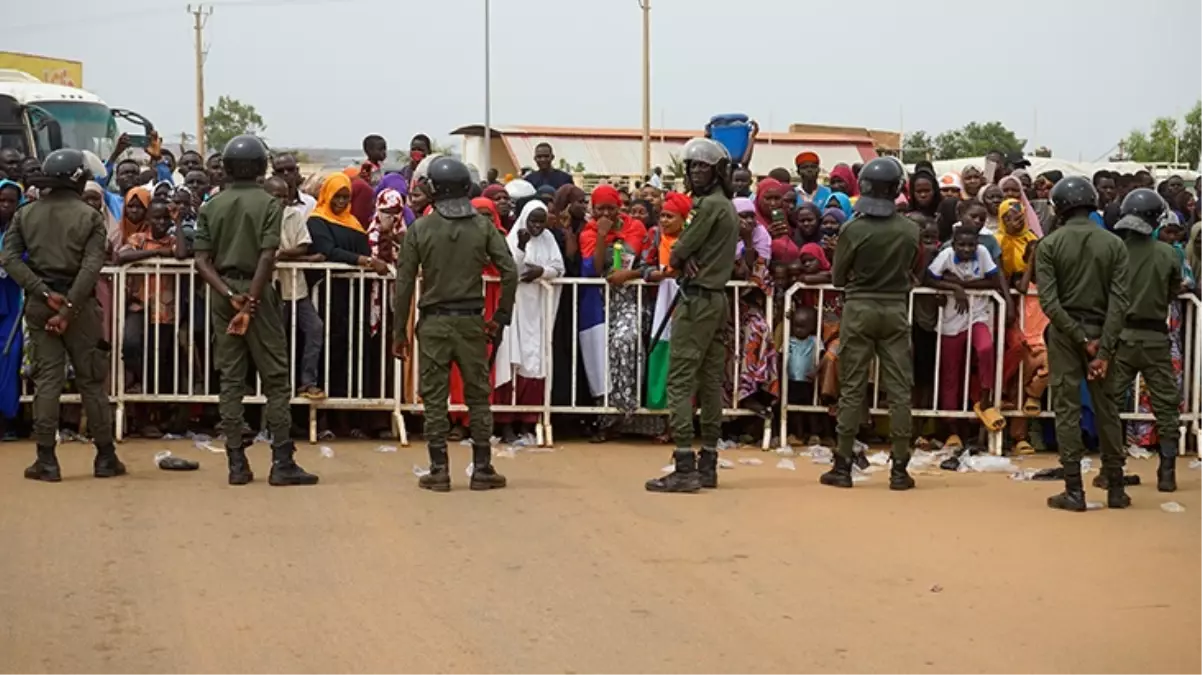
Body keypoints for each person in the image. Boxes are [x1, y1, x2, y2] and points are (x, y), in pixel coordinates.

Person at [192, 135, 319, 487]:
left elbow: (201, 260)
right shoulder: (269, 204)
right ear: (262, 166)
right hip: (259, 293)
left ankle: (236, 463)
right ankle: (282, 461)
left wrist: (230, 294)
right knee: (276, 380)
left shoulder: (210, 206)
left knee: (231, 381)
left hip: (222, 294)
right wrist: (249, 300)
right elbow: (267, 255)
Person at [393, 157, 517, 491]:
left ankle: (439, 470)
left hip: (433, 322)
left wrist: (397, 332)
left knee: (434, 398)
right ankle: (482, 468)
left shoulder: (420, 228)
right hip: (471, 321)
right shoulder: (483, 226)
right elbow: (509, 270)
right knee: (478, 396)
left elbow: (404, 283)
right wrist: (500, 317)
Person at [0, 149, 122, 481]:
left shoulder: (26, 214)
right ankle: (105, 458)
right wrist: (68, 307)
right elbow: (92, 266)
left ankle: (47, 460)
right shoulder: (89, 216)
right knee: (91, 382)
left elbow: (8, 259)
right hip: (79, 305)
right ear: (79, 178)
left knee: (47, 381)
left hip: (41, 304)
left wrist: (42, 292)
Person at [820, 157, 922, 491]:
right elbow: (911, 267)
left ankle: (843, 465)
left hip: (859, 308)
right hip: (895, 309)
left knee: (851, 388)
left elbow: (837, 278)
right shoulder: (910, 229)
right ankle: (900, 469)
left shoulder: (853, 228)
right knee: (899, 391)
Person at [644, 137, 737, 493]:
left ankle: (684, 465)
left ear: (716, 171)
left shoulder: (706, 206)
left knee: (681, 382)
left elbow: (679, 250)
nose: (697, 171)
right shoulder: (725, 204)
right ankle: (708, 462)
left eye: (703, 166)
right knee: (710, 382)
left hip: (698, 301)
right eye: (693, 166)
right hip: (716, 299)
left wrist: (683, 255)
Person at [1036, 176, 1129, 511]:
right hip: (1105, 330)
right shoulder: (1114, 244)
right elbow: (1120, 301)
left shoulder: (1049, 245)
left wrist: (1081, 340)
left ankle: (1074, 489)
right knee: (1108, 409)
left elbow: (1049, 301)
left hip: (1065, 333)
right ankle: (1116, 487)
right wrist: (1103, 348)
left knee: (1067, 408)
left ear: (1059, 207)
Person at [1110, 189, 1183, 493]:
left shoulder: (1116, 250)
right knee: (1166, 405)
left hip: (1122, 336)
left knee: (1111, 402)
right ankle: (1167, 471)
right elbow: (1172, 291)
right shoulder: (1168, 253)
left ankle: (1112, 469)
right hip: (1155, 337)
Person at [493, 201, 564, 443]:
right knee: (511, 358)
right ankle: (505, 423)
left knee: (534, 360)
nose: (536, 226)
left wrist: (541, 272)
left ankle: (528, 421)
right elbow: (510, 268)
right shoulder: (513, 238)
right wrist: (522, 248)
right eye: (532, 220)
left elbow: (558, 267)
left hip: (538, 307)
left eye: (541, 221)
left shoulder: (549, 240)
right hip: (515, 307)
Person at [264, 176, 326, 400]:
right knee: (277, 338)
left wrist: (281, 254)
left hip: (296, 288)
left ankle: (307, 381)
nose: (280, 201)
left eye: (284, 196)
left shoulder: (294, 215)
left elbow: (302, 245)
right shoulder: (258, 217)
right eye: (276, 196)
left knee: (315, 328)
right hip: (270, 288)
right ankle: (278, 385)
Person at [0, 179, 26, 438]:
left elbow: (29, 257)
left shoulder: (21, 231)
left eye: (11, 202)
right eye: (1, 201)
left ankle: (7, 419)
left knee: (10, 357)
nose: (5, 206)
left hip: (11, 305)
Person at [271, 152, 317, 217]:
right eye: (280, 171)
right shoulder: (269, 204)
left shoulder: (310, 203)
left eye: (290, 169)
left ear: (297, 171)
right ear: (274, 174)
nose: (286, 173)